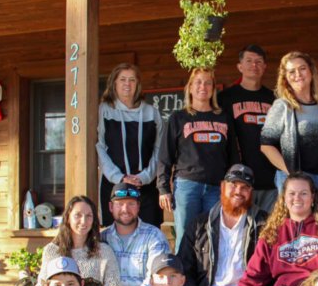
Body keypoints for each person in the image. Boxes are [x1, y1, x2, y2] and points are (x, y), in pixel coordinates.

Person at [157, 68, 236, 251]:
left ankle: (208, 278)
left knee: (213, 237)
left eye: (208, 82)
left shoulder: (223, 118)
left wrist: (232, 186)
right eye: (198, 82)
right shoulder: (178, 118)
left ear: (213, 89)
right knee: (185, 237)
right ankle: (183, 279)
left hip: (217, 187)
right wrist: (163, 188)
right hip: (186, 186)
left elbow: (233, 156)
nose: (203, 87)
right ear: (190, 88)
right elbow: (165, 156)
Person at [177, 164, 268, 286]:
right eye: (233, 185)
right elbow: (183, 266)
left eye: (245, 187)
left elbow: (267, 270)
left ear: (251, 192)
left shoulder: (264, 224)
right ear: (222, 186)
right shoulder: (199, 225)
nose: (238, 191)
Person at [260, 51, 318, 208]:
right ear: (285, 78)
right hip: (297, 183)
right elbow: (266, 146)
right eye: (291, 71)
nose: (298, 74)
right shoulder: (282, 106)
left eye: (302, 68)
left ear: (310, 71)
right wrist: (291, 173)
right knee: (295, 229)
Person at [96, 63, 163, 227]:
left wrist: (145, 177)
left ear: (138, 84)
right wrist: (119, 177)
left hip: (145, 186)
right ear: (114, 83)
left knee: (148, 236)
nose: (127, 84)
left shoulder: (151, 112)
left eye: (132, 80)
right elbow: (99, 146)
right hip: (114, 185)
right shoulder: (104, 110)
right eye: (123, 79)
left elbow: (159, 149)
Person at [30, 195, 122, 286]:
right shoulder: (52, 251)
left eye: (88, 216)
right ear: (68, 217)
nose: (83, 221)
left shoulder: (104, 252)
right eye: (77, 215)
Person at [218, 45, 277, 214]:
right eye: (249, 61)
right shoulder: (225, 99)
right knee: (239, 230)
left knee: (267, 231)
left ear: (265, 67)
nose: (254, 65)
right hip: (238, 180)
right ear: (240, 66)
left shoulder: (273, 99)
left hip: (270, 179)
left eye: (259, 62)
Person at [100, 182, 171, 286]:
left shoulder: (154, 236)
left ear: (138, 206)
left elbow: (158, 274)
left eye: (131, 203)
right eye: (119, 204)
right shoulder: (102, 238)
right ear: (110, 207)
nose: (125, 209)